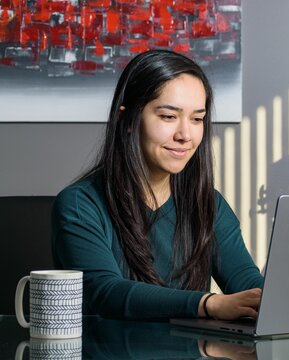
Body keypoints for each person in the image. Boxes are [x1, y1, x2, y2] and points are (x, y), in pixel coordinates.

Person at [51, 50, 263, 321]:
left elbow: (248, 285)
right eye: (168, 116)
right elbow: (105, 293)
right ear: (128, 120)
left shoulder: (208, 203)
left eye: (197, 119)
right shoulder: (81, 204)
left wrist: (282, 299)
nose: (185, 135)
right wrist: (208, 303)